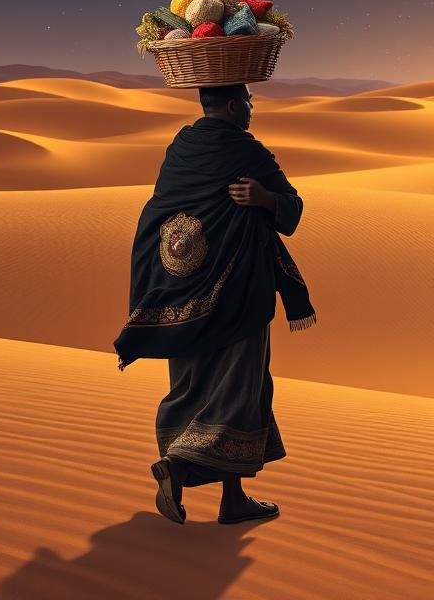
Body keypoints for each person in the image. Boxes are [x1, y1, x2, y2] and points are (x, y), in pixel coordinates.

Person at [113, 83, 316, 527]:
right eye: (247, 102)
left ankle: (218, 488)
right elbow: (293, 211)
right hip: (238, 291)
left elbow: (161, 210)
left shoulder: (181, 147)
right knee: (241, 388)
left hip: (181, 293)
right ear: (230, 105)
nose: (251, 109)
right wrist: (265, 199)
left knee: (192, 383)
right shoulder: (249, 151)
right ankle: (183, 469)